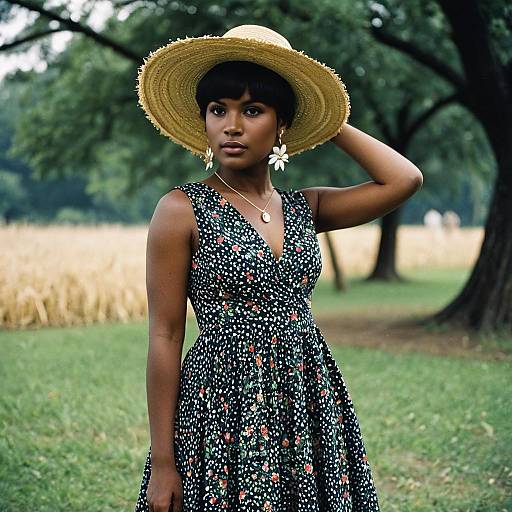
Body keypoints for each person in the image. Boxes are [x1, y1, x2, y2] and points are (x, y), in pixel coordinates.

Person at [134, 25, 422, 512]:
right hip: (222, 403)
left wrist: (327, 121)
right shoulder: (181, 209)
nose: (231, 125)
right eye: (217, 109)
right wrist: (164, 461)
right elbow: (164, 336)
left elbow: (404, 179)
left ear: (280, 124)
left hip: (306, 394)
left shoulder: (305, 208)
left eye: (252, 110)